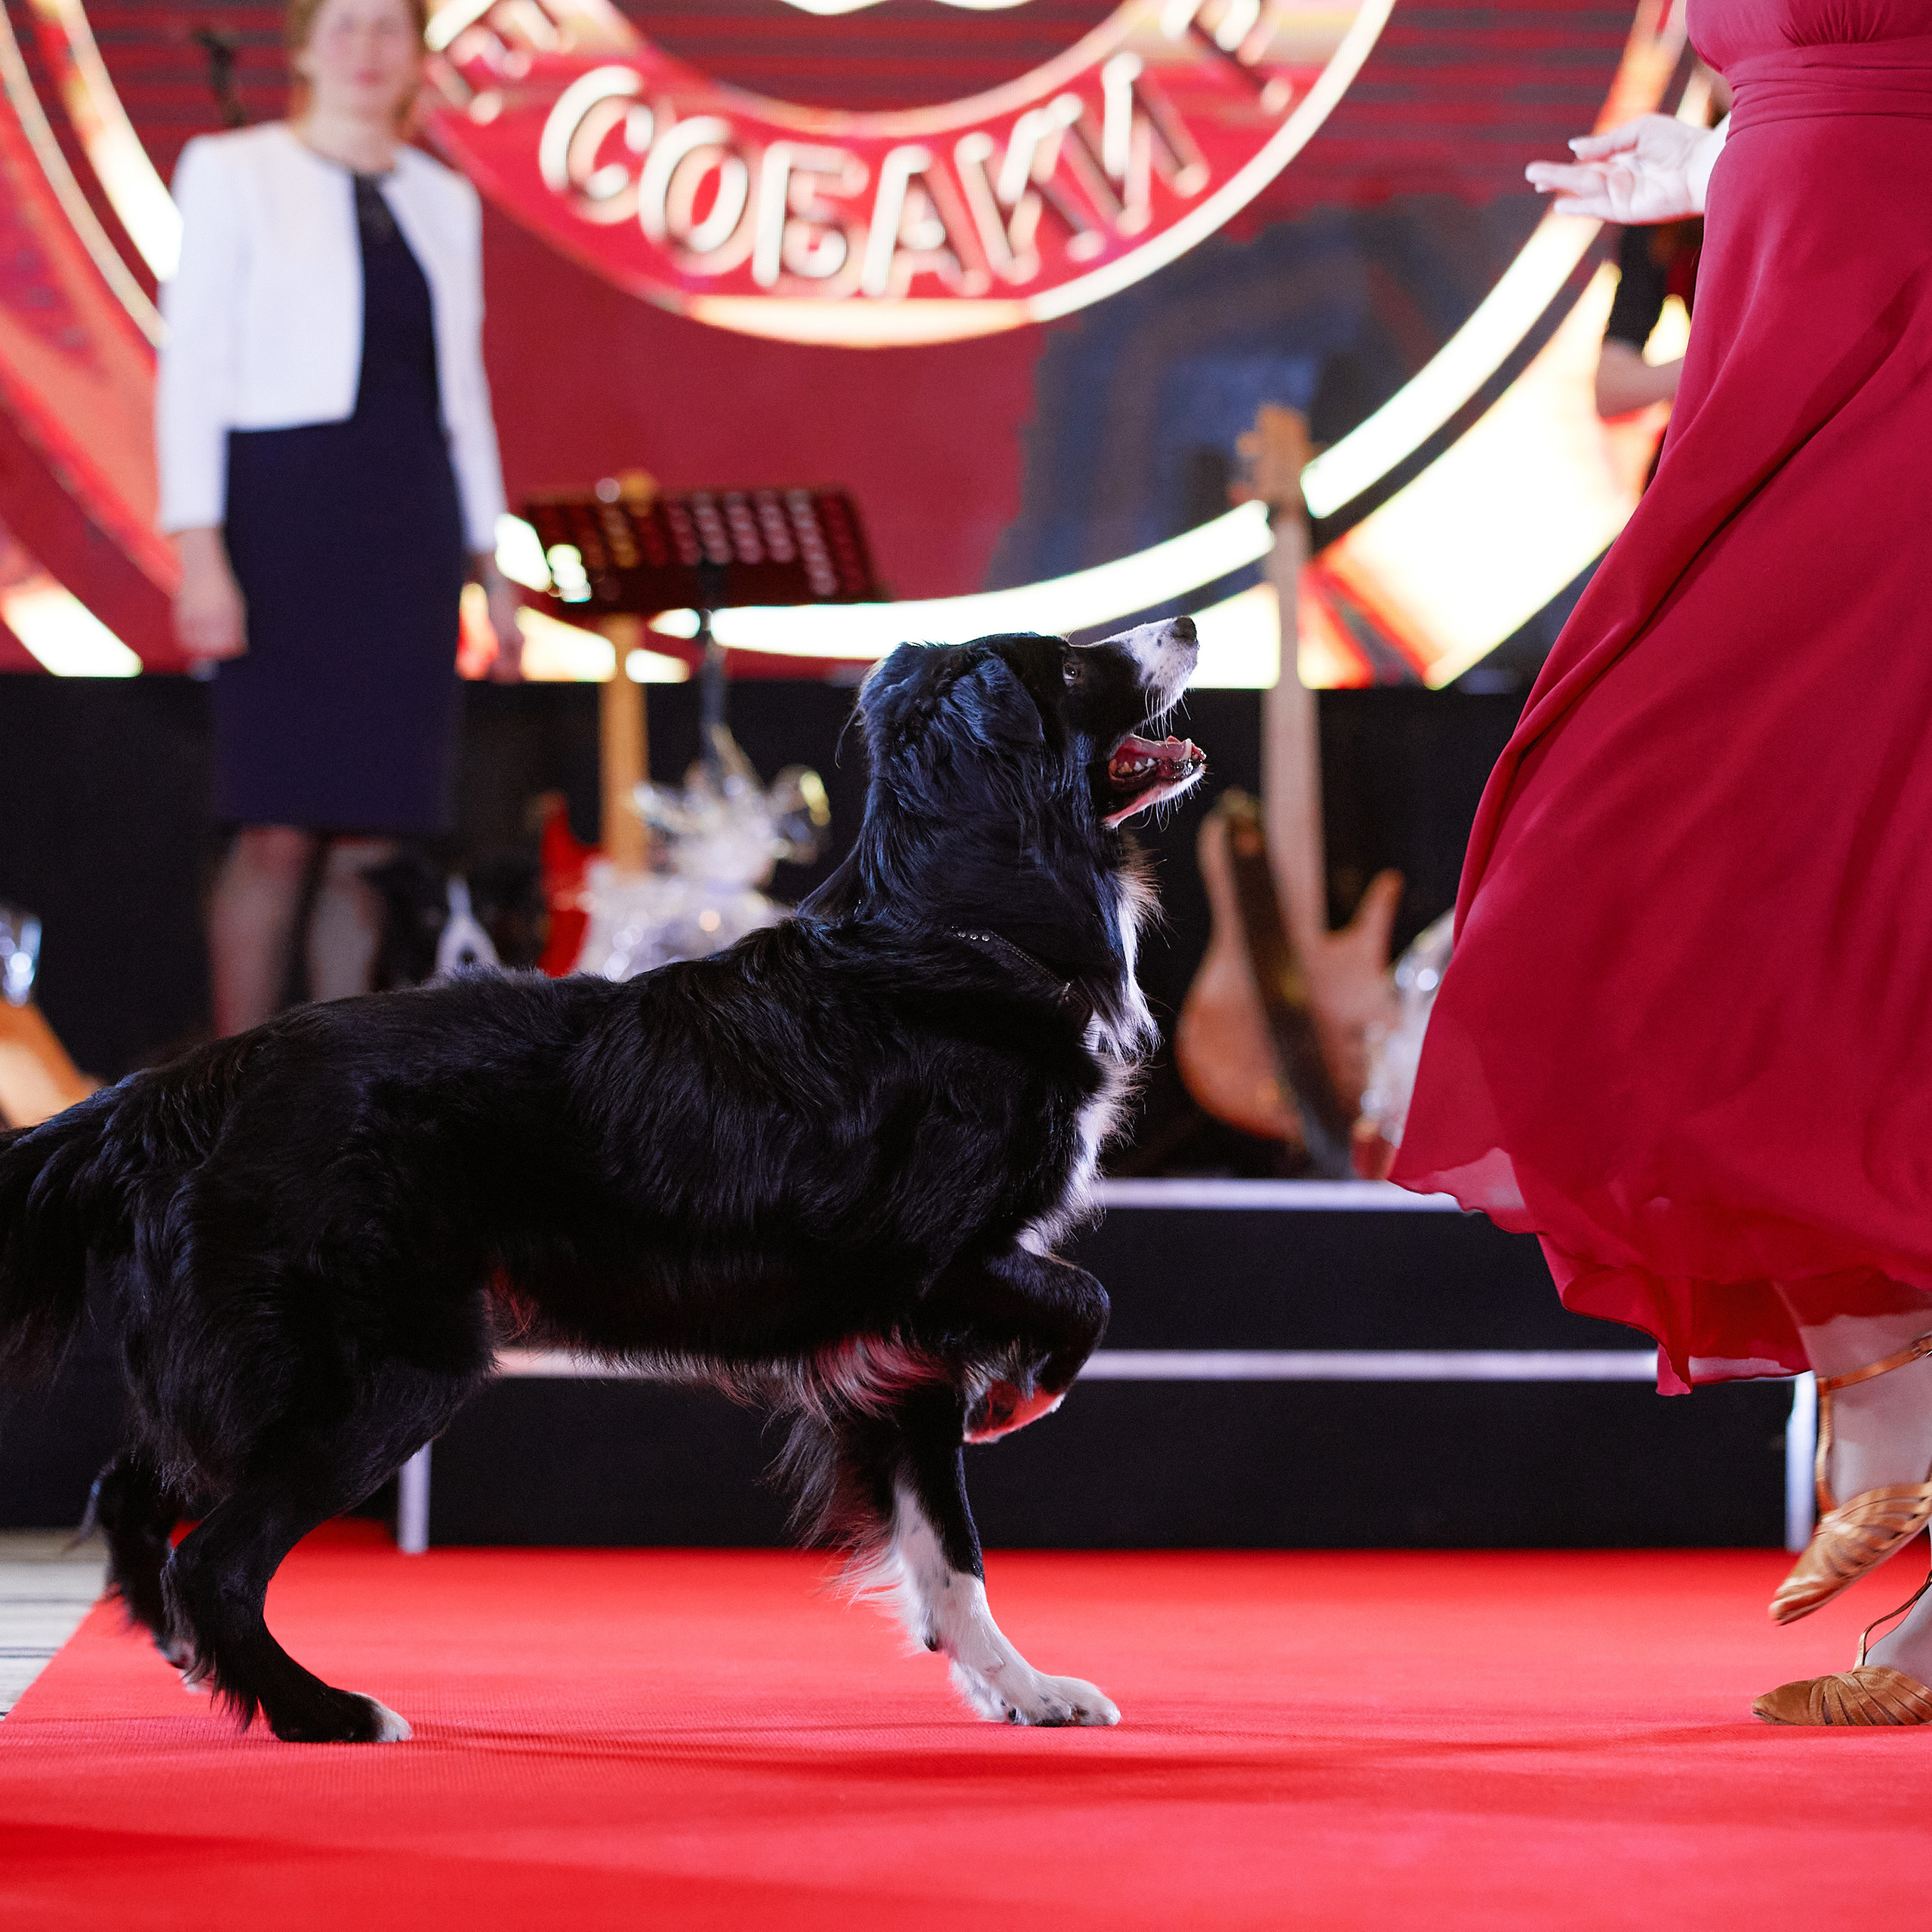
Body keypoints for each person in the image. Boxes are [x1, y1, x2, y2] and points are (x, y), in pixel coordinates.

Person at [1389, 0, 1932, 1725]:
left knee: (1862, 903)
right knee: (1629, 881)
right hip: (1784, 343)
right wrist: (1726, 159)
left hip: (1901, 358)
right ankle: (1904, 1428)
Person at [157, 0, 522, 1037]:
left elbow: (463, 395)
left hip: (406, 520)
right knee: (276, 826)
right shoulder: (233, 171)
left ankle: (338, 1106)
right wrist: (200, 552)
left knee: (373, 840)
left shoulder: (444, 200)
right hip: (284, 513)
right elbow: (192, 371)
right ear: (306, 46)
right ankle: (223, 1100)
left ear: (418, 56)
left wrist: (488, 566)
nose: (367, 49)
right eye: (345, 25)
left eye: (389, 28)